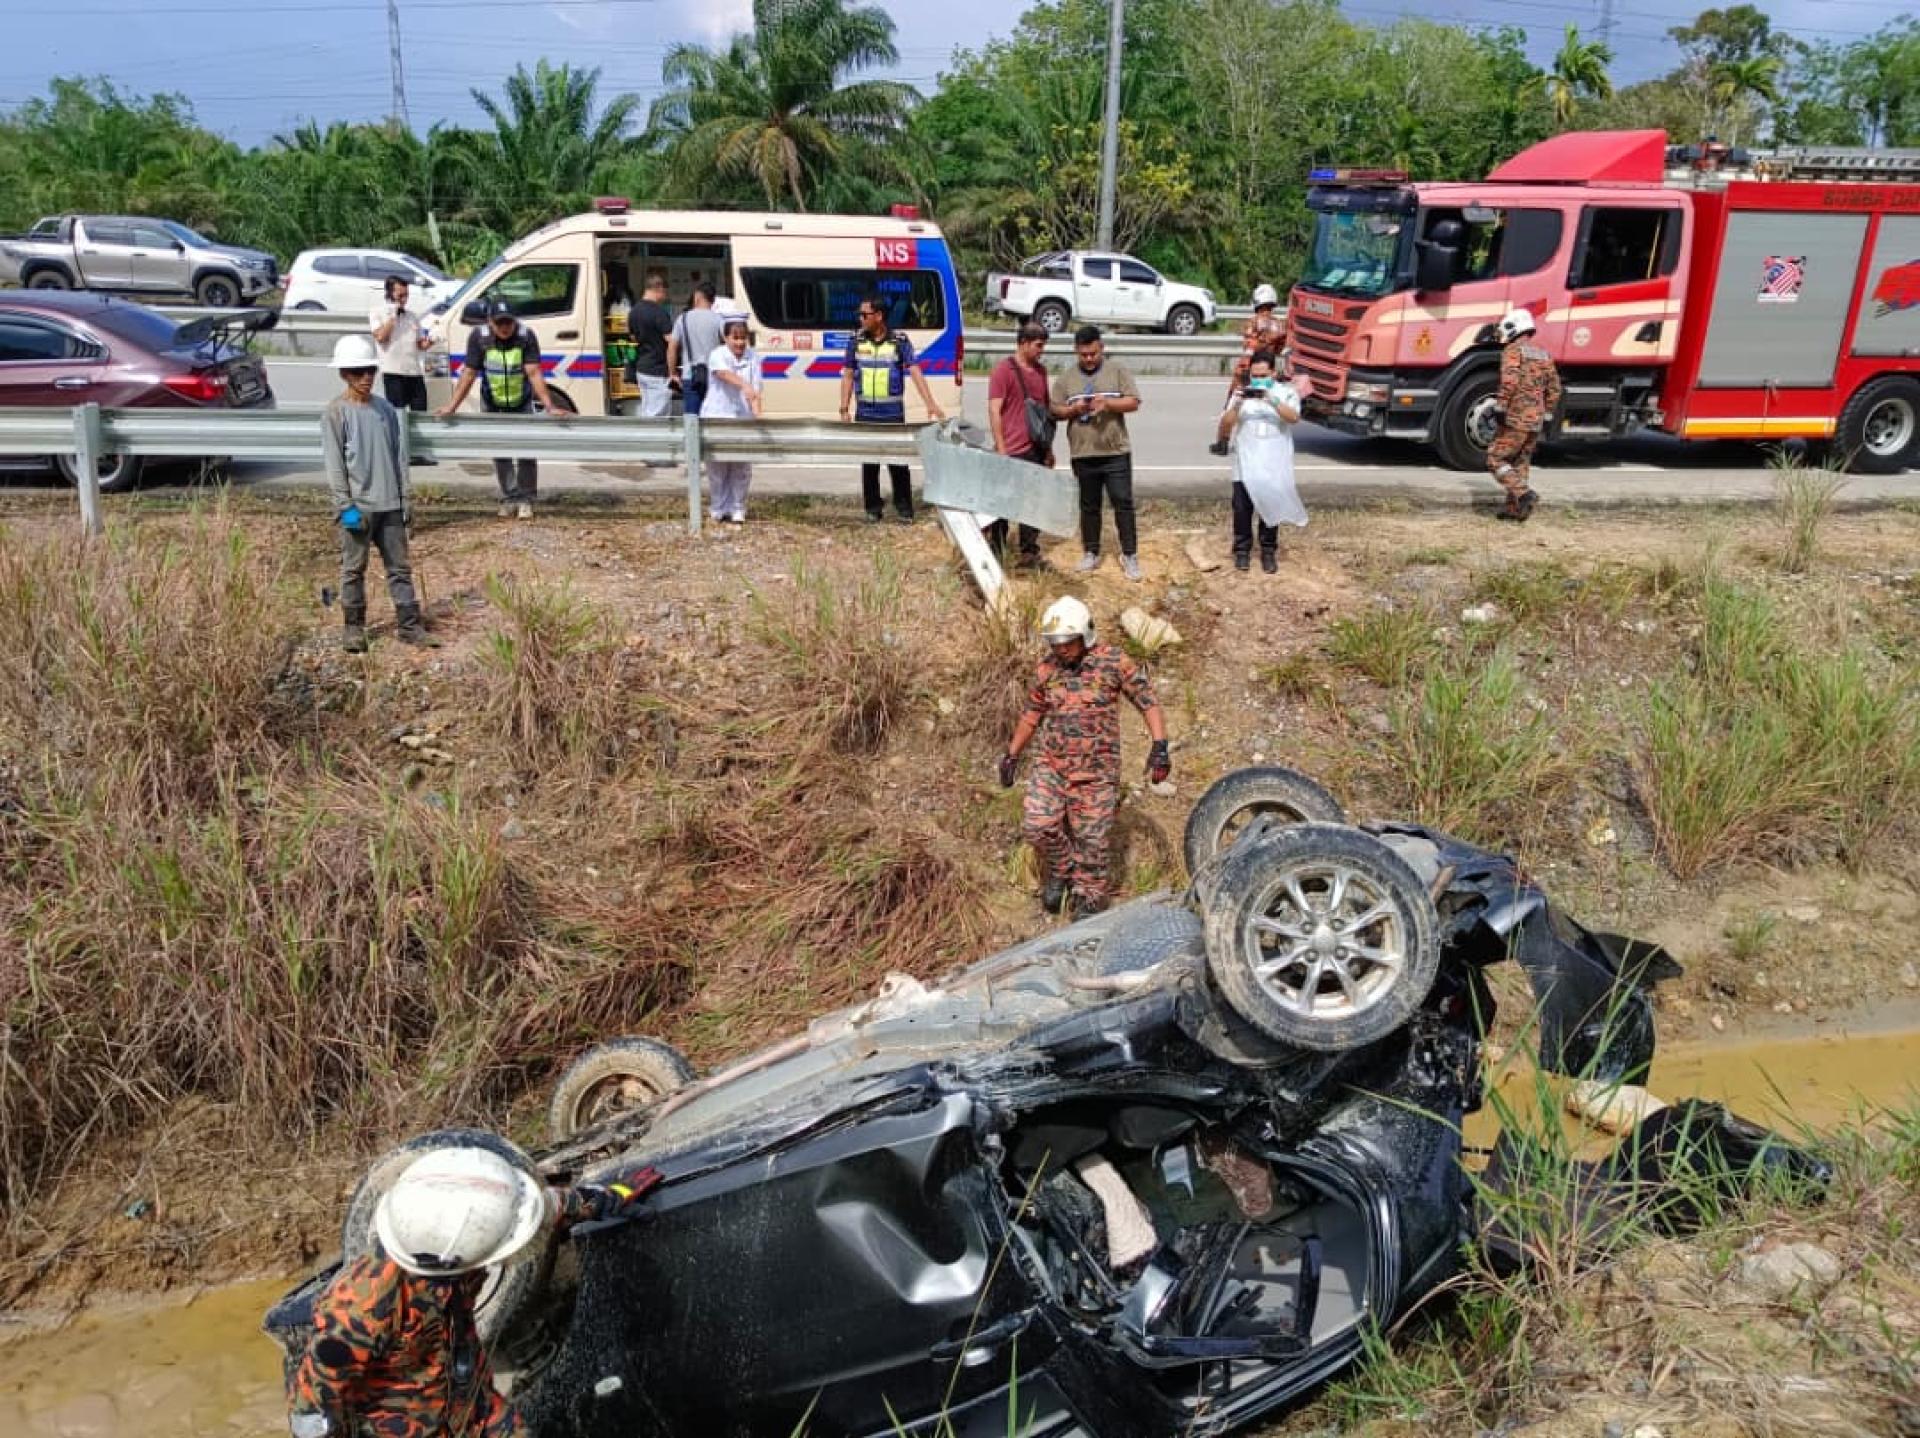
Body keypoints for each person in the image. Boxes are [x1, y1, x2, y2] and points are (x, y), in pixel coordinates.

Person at [286, 1145, 661, 1438]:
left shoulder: (465, 1230)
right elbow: (312, 1409)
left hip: (476, 1410)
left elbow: (538, 1212)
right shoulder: (363, 1306)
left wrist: (612, 1196)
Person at [998, 596, 1170, 919]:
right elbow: (1032, 714)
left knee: (1091, 839)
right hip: (1053, 767)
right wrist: (1011, 755)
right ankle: (1061, 869)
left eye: (1065, 642)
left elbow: (1147, 701)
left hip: (1097, 773)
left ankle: (1088, 895)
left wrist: (1159, 745)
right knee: (1037, 825)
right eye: (1054, 642)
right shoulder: (1047, 670)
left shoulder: (1114, 662)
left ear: (1084, 634)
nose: (1059, 648)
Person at [321, 334, 434, 653]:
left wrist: (404, 499)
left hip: (390, 506)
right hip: (359, 506)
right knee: (353, 569)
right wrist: (345, 507)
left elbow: (398, 457)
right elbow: (335, 465)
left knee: (399, 568)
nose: (366, 377)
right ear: (344, 374)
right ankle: (354, 628)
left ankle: (410, 626)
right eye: (358, 372)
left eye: (370, 370)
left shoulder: (385, 410)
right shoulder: (335, 413)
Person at [437, 299, 562, 521]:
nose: (505, 328)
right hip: (492, 402)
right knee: (500, 451)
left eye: (509, 323)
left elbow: (533, 372)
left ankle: (526, 499)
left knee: (526, 452)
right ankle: (510, 496)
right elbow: (469, 373)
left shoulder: (525, 336)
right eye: (500, 323)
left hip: (520, 401)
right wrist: (452, 405)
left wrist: (550, 405)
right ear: (490, 322)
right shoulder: (479, 337)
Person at [839, 293, 946, 523]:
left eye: (864, 315)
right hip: (865, 413)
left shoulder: (898, 341)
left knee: (898, 463)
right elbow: (848, 374)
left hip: (892, 414)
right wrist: (843, 407)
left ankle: (904, 509)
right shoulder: (855, 341)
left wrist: (930, 403)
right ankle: (873, 509)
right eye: (859, 314)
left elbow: (915, 371)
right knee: (869, 465)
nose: (860, 318)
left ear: (878, 316)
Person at [1050, 326, 1144, 581]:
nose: (1089, 359)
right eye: (1083, 355)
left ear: (1101, 348)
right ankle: (1091, 551)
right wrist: (1073, 409)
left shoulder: (1117, 371)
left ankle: (1129, 554)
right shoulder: (1067, 378)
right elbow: (1055, 409)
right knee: (1089, 505)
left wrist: (1108, 403)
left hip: (1115, 452)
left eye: (1093, 353)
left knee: (1122, 502)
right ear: (1076, 352)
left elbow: (1134, 402)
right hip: (1083, 453)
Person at [1222, 351, 1311, 573]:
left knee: (1269, 507)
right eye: (1255, 374)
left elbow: (1293, 418)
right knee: (1242, 508)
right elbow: (1227, 423)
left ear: (1273, 372)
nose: (1258, 379)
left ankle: (1268, 551)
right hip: (1245, 460)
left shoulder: (1286, 393)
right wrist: (1238, 404)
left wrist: (1271, 400)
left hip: (1273, 461)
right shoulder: (1241, 393)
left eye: (1263, 374)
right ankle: (1242, 551)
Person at [984, 322, 1053, 567]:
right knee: (1003, 501)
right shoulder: (1003, 370)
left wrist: (1048, 450)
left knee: (1032, 502)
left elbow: (1044, 412)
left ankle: (1029, 551)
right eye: (1038, 345)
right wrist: (1001, 447)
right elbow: (994, 410)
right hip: (1011, 448)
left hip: (1034, 447)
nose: (1041, 350)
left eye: (1043, 345)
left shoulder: (1041, 372)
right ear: (1023, 343)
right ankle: (997, 548)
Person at [1487, 306, 1560, 522]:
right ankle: (1515, 510)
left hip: (1516, 416)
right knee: (1520, 462)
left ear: (1513, 328)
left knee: (1495, 459)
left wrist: (1500, 406)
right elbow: (1555, 388)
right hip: (1536, 419)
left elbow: (1509, 381)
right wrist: (1547, 412)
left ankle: (1524, 494)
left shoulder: (1512, 351)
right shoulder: (1543, 354)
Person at [701, 311, 763, 525]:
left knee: (741, 467)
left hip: (743, 419)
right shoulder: (717, 354)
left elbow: (756, 390)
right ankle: (718, 507)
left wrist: (758, 415)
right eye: (735, 338)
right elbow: (723, 374)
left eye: (742, 337)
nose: (739, 342)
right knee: (717, 466)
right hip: (718, 416)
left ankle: (737, 507)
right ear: (725, 338)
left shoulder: (754, 357)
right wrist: (743, 385)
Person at [1211, 284, 1288, 456]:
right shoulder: (1280, 325)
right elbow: (1279, 350)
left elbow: (1249, 347)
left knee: (1232, 404)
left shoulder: (1253, 323)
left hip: (1249, 368)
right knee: (1266, 403)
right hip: (1268, 369)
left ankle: (1222, 442)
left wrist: (1245, 371)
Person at [369, 276, 436, 463]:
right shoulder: (377, 313)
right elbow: (380, 337)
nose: (404, 299)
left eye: (406, 295)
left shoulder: (412, 316)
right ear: (389, 293)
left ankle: (418, 452)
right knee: (398, 413)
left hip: (413, 370)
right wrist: (392, 317)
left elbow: (419, 344)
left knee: (419, 412)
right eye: (400, 295)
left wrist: (430, 341)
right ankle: (399, 452)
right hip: (393, 371)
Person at [667, 280, 724, 417]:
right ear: (713, 300)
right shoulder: (720, 320)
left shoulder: (683, 319)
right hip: (714, 376)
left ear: (697, 296)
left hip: (690, 376)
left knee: (692, 419)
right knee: (714, 416)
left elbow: (672, 348)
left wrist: (673, 373)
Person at [626, 270, 674, 419]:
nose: (666, 294)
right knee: (659, 415)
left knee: (647, 410)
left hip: (642, 368)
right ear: (659, 288)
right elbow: (671, 341)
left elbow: (633, 337)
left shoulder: (633, 311)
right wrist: (673, 371)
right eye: (665, 290)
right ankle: (656, 441)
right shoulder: (659, 312)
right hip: (657, 369)